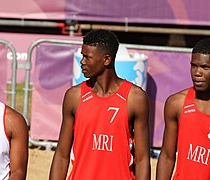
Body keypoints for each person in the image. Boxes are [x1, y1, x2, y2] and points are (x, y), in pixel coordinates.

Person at [49, 29, 150, 180]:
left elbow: (142, 159)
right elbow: (62, 154)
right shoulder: (74, 96)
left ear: (106, 59)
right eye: (82, 56)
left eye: (87, 57)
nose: (82, 61)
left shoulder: (135, 98)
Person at [156, 38, 210, 179]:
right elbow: (167, 156)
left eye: (205, 67)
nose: (197, 72)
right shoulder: (176, 103)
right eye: (194, 66)